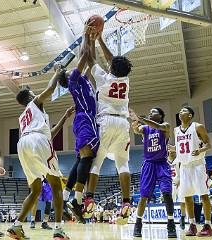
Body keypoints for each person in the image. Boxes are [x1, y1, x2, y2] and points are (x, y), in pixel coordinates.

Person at [6, 70, 74, 240]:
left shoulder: (24, 117)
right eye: (33, 92)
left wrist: (64, 118)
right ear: (29, 96)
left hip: (23, 144)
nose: (36, 94)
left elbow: (48, 133)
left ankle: (16, 226)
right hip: (37, 141)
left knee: (35, 190)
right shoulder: (35, 102)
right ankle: (58, 229)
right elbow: (51, 88)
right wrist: (58, 73)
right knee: (56, 185)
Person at [84, 24, 133, 225]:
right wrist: (101, 39)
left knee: (96, 162)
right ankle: (126, 203)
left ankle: (89, 198)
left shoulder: (103, 78)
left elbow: (89, 59)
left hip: (105, 121)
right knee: (123, 163)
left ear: (111, 68)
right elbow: (114, 61)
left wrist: (89, 38)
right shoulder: (126, 80)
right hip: (123, 123)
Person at [58, 25, 99, 223]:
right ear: (67, 77)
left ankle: (66, 199)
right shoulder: (73, 79)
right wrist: (85, 35)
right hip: (85, 119)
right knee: (87, 158)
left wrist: (93, 40)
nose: (71, 70)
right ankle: (77, 199)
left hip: (83, 120)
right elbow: (83, 57)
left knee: (81, 159)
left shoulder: (82, 80)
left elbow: (91, 61)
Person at [130, 108, 176, 238]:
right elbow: (136, 130)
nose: (150, 113)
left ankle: (171, 222)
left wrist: (141, 119)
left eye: (154, 112)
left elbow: (157, 126)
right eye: (149, 112)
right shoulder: (145, 128)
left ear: (160, 115)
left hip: (162, 164)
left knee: (167, 194)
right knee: (144, 196)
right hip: (149, 165)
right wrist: (134, 122)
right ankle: (138, 223)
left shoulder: (165, 126)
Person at [171, 106, 212, 237]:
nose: (180, 112)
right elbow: (180, 148)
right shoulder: (176, 130)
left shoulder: (198, 126)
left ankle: (207, 225)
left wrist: (200, 151)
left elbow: (209, 144)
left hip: (198, 165)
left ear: (190, 115)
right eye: (180, 111)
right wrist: (172, 150)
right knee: (187, 197)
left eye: (184, 111)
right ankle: (192, 225)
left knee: (203, 195)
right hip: (184, 166)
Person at [169, 157, 186, 230]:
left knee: (182, 201)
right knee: (170, 202)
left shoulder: (179, 159)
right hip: (170, 183)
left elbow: (183, 171)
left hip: (179, 182)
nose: (170, 150)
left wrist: (181, 180)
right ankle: (171, 219)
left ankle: (182, 218)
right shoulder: (165, 161)